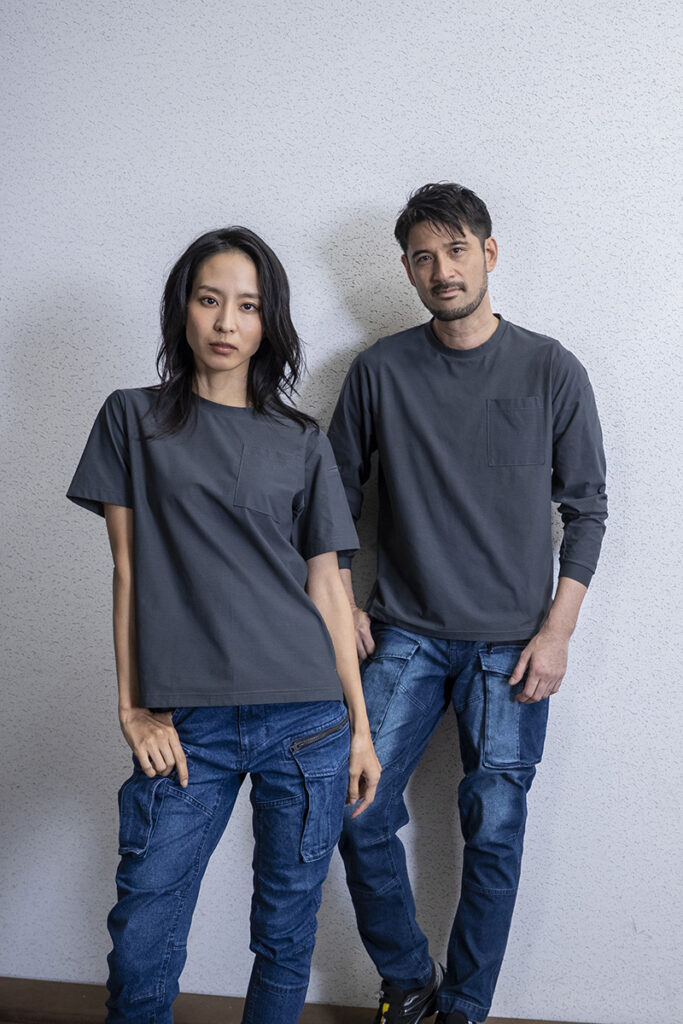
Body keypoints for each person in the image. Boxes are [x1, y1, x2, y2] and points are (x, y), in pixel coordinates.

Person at [66, 226, 381, 1024]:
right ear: (183, 308)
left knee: (284, 933)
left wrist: (360, 729)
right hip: (187, 724)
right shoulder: (131, 419)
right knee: (144, 932)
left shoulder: (301, 441)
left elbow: (327, 587)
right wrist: (133, 709)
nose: (225, 322)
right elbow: (128, 572)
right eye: (209, 300)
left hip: (305, 718)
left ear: (268, 323)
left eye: (247, 306)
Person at [328, 183, 608, 1024]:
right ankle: (410, 984)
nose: (441, 270)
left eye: (455, 251)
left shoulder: (550, 367)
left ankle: (465, 1010)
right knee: (356, 807)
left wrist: (556, 633)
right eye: (423, 257)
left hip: (513, 645)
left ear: (487, 253)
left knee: (493, 829)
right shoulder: (379, 370)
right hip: (404, 633)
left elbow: (587, 510)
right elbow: (330, 497)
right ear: (406, 269)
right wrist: (342, 601)